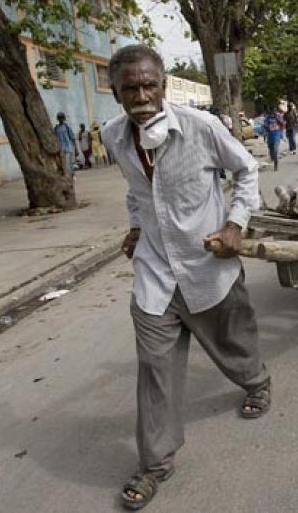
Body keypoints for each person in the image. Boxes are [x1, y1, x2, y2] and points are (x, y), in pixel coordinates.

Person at [100, 44, 270, 510]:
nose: (141, 94)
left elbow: (246, 170)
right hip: (155, 273)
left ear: (164, 85)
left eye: (149, 84)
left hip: (207, 264)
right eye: (130, 87)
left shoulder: (201, 127)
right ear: (116, 93)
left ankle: (256, 381)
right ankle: (155, 463)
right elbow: (137, 192)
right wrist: (136, 227)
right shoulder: (113, 136)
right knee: (154, 368)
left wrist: (235, 223)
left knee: (233, 341)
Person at [53, 112, 78, 178]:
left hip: (68, 148)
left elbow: (72, 138)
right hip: (60, 148)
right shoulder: (56, 128)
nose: (61, 119)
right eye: (59, 118)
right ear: (58, 119)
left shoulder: (67, 127)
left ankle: (72, 175)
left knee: (68, 163)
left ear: (64, 118)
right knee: (63, 163)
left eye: (62, 118)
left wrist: (76, 149)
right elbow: (54, 138)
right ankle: (66, 175)